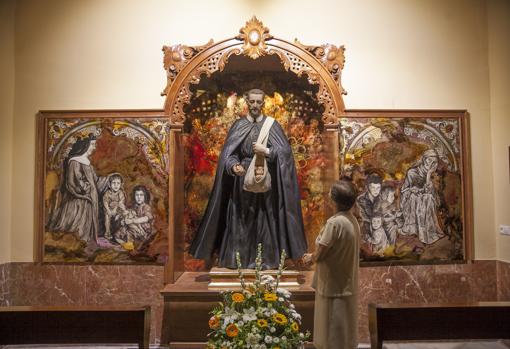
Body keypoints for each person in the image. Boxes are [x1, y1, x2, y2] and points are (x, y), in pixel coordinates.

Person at [189, 88, 307, 269]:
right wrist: (233, 165)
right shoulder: (238, 125)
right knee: (240, 219)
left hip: (265, 181)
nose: (255, 105)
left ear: (263, 103)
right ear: (246, 101)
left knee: (266, 219)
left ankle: (267, 261)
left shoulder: (272, 125)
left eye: (259, 102)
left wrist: (265, 151)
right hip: (241, 182)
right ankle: (237, 261)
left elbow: (285, 153)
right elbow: (229, 154)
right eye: (252, 101)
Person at [303, 180, 360, 349]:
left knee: (331, 329)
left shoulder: (334, 223)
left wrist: (309, 258)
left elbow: (322, 251)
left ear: (333, 200)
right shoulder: (352, 220)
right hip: (346, 280)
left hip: (333, 284)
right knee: (344, 328)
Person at [47, 134, 109, 243]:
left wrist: (108, 179)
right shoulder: (74, 162)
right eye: (92, 144)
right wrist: (86, 190)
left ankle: (86, 242)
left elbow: (95, 181)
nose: (94, 147)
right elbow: (73, 182)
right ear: (85, 145)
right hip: (80, 200)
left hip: (89, 198)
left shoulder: (88, 163)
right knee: (77, 231)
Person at [400, 149, 444, 244]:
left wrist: (428, 175)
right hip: (412, 200)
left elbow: (430, 192)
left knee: (428, 198)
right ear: (424, 159)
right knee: (416, 198)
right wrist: (411, 190)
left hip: (427, 200)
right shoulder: (412, 172)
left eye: (434, 162)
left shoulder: (434, 174)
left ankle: (427, 232)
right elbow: (404, 190)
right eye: (429, 160)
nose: (431, 163)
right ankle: (415, 229)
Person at [102, 173, 127, 240]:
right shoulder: (107, 193)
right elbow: (105, 202)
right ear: (109, 185)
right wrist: (108, 210)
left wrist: (115, 210)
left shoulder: (120, 193)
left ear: (121, 184)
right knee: (107, 216)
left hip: (118, 209)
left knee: (124, 212)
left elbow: (120, 203)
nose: (116, 185)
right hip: (110, 210)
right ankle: (107, 232)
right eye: (114, 183)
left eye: (118, 183)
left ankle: (123, 232)